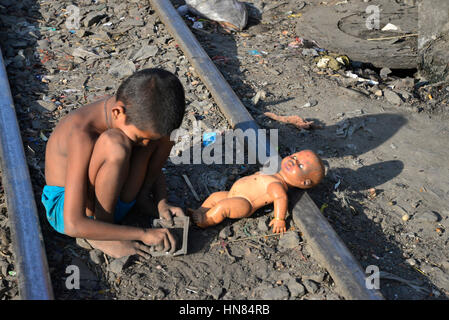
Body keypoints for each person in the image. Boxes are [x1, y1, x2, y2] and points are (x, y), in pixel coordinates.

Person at [41, 68, 186, 258]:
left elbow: (150, 141)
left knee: (165, 135)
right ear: (118, 112)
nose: (145, 147)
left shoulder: (133, 113)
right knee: (114, 144)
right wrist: (143, 234)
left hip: (115, 195)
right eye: (140, 139)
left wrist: (161, 201)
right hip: (73, 211)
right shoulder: (80, 133)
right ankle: (103, 235)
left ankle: (142, 200)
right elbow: (72, 222)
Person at [189, 150, 325, 233]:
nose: (293, 161)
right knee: (214, 197)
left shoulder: (277, 185)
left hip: (244, 203)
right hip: (233, 194)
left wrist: (279, 219)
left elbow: (281, 198)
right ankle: (200, 211)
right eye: (294, 157)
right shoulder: (273, 175)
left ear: (305, 182)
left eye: (300, 165)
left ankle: (205, 220)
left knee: (222, 207)